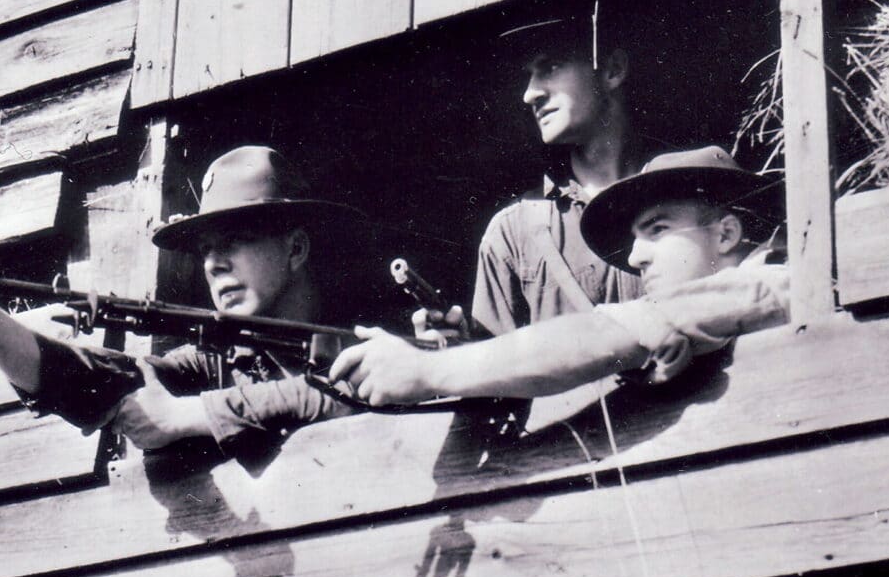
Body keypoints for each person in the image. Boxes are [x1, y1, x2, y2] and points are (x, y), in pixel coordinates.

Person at [0, 146, 363, 454]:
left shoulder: (374, 334)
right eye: (204, 250)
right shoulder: (218, 362)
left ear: (296, 248)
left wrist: (193, 415)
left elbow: (358, 391)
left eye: (234, 240)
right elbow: (97, 376)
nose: (214, 264)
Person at [330, 147, 788, 404]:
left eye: (658, 230)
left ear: (728, 234)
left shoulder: (761, 284)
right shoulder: (726, 313)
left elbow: (601, 335)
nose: (635, 257)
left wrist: (428, 370)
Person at [425, 0, 647, 344]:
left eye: (551, 67)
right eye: (529, 74)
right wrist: (457, 353)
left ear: (613, 70)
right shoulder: (513, 233)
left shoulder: (684, 191)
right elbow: (499, 388)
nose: (530, 94)